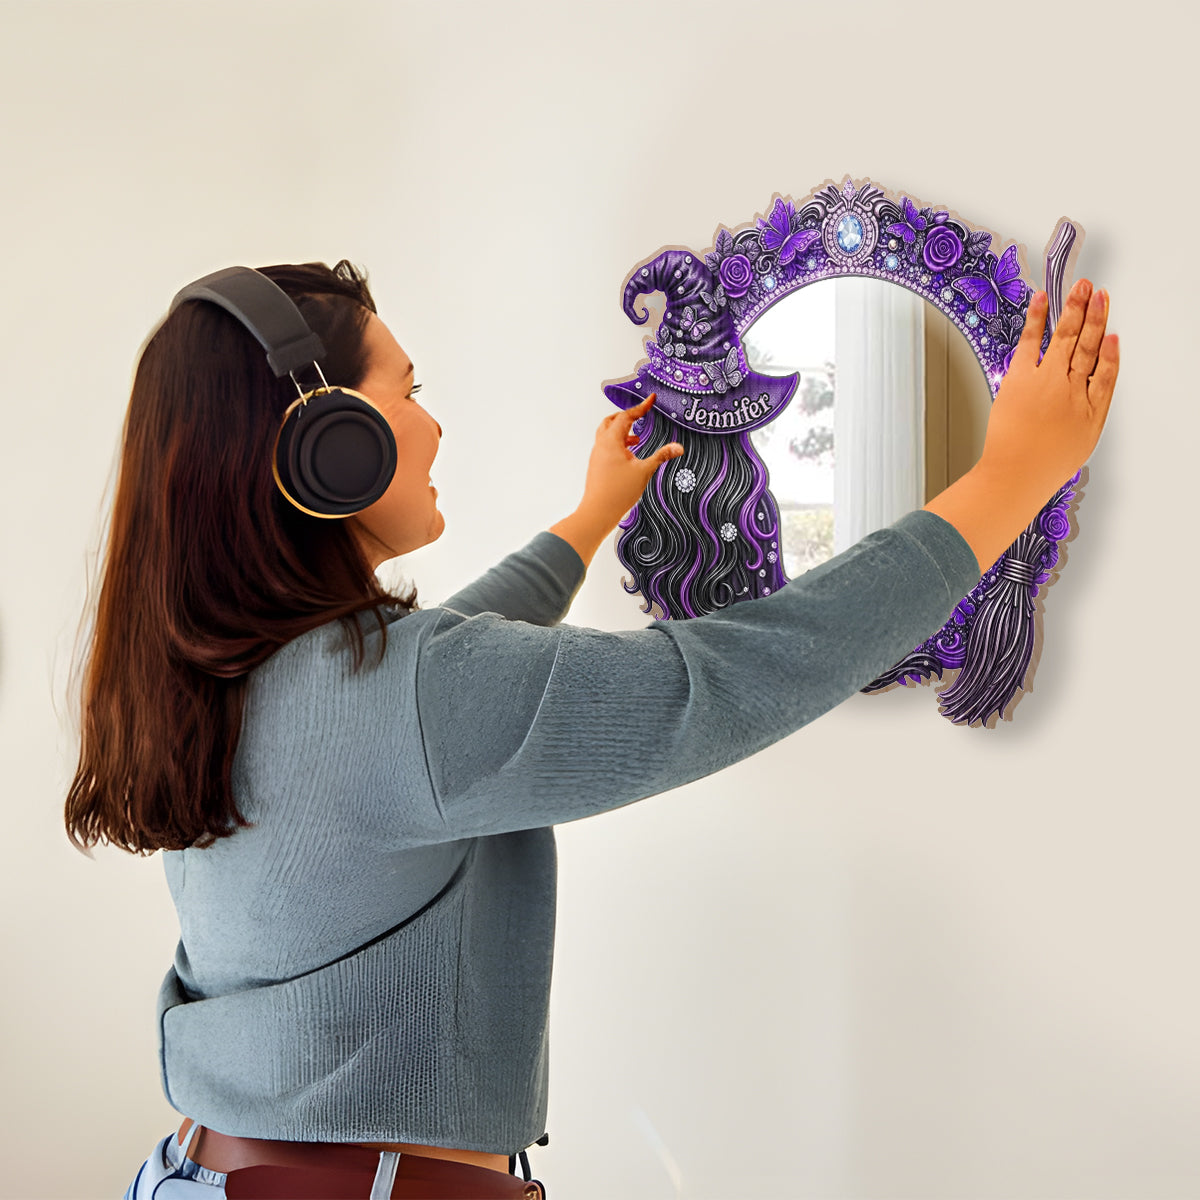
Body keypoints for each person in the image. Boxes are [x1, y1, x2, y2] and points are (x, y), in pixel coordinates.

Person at [66, 261, 1118, 1199]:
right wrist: (1012, 477)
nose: (433, 424)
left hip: (200, 1173)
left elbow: (436, 687)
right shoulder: (414, 697)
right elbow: (734, 675)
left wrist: (585, 522)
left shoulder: (230, 677)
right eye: (408, 391)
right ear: (327, 446)